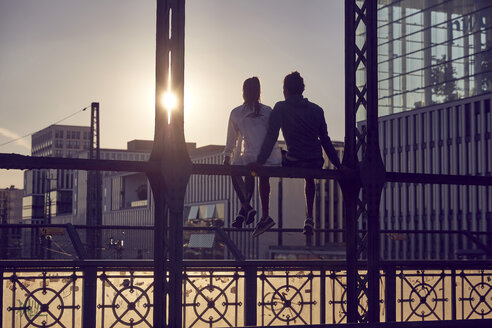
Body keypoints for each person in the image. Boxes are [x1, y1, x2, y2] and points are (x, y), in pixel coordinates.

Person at [250, 71, 342, 236]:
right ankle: (309, 217)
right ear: (302, 89)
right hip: (315, 160)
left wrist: (260, 160)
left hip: (295, 160)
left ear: (286, 90)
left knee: (265, 170)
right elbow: (326, 140)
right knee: (310, 175)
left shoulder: (281, 107)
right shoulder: (317, 110)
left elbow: (272, 137)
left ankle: (265, 217)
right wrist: (338, 165)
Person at [223, 77, 282, 237]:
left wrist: (227, 155)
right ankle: (260, 214)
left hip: (249, 155)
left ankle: (246, 207)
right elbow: (272, 134)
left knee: (237, 171)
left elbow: (231, 138)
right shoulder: (268, 110)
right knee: (262, 177)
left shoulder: (236, 112)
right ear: (259, 92)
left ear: (243, 92)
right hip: (268, 155)